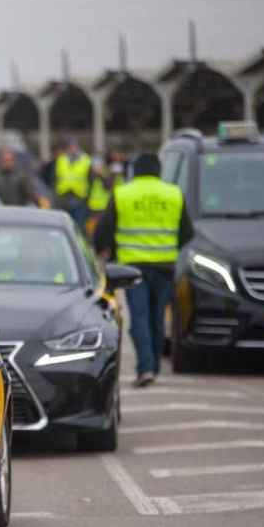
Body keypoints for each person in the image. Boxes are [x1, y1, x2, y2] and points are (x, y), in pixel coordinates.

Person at [95, 153, 193, 387]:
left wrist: (104, 251)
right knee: (157, 319)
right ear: (159, 170)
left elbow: (103, 231)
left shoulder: (123, 193)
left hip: (133, 268)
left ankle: (145, 367)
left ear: (135, 171)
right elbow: (187, 233)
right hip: (165, 267)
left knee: (139, 317)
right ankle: (154, 366)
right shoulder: (173, 194)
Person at [54, 137, 93, 232]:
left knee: (79, 226)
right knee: (63, 225)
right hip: (63, 196)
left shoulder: (86, 160)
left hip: (79, 197)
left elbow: (91, 180)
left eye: (74, 146)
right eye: (70, 147)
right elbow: (55, 178)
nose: (72, 149)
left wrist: (88, 198)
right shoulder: (61, 160)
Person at [86, 149, 126, 237]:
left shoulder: (115, 171)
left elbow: (108, 186)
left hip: (109, 206)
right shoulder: (99, 171)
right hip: (97, 207)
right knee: (94, 233)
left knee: (106, 233)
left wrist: (101, 175)